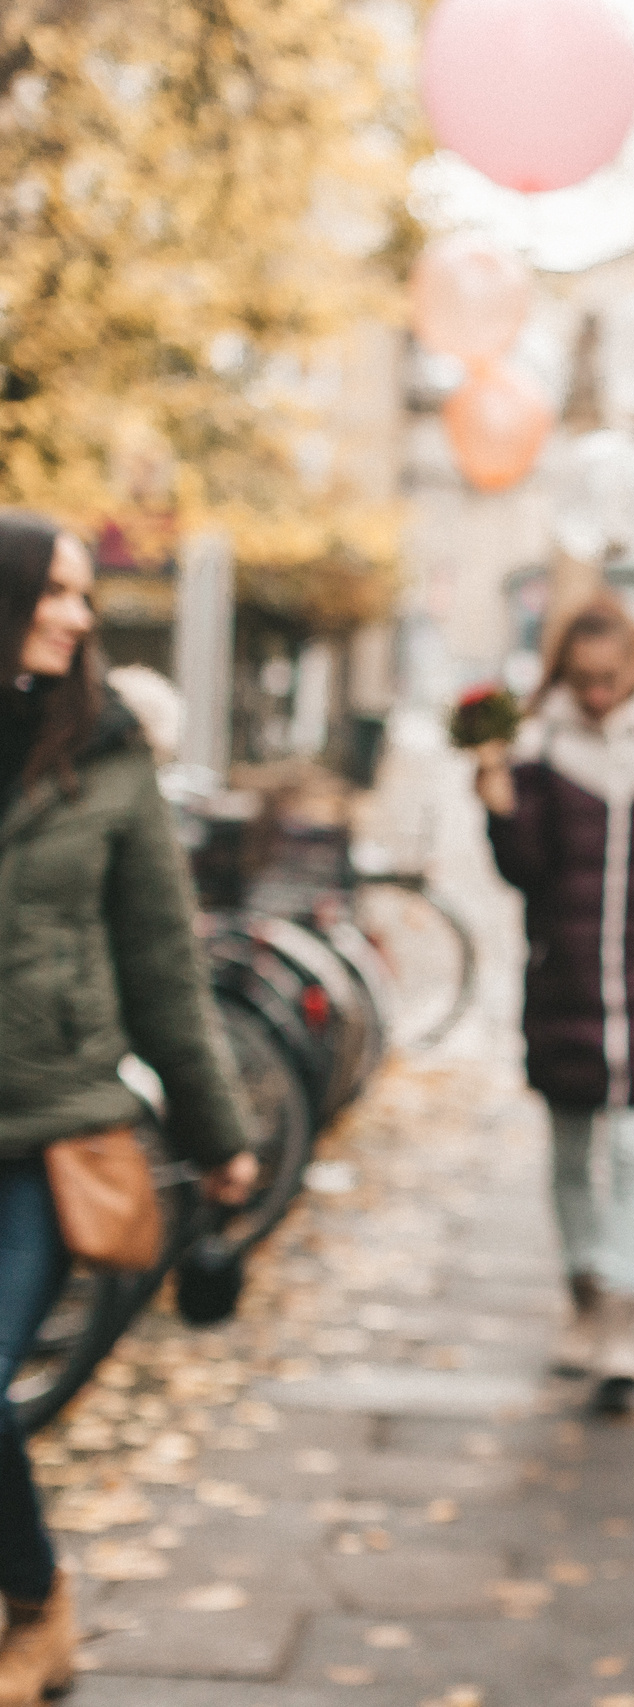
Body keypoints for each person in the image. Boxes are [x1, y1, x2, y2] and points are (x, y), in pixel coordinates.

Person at [0, 513, 258, 1705]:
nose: (76, 613)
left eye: (81, 594)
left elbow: (161, 962)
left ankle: (36, 1609)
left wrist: (217, 1136)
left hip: (46, 1136)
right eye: (54, 590)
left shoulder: (105, 755)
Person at [477, 596, 634, 1415]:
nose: (595, 693)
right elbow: (527, 870)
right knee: (572, 1149)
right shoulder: (540, 747)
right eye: (582, 679)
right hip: (567, 980)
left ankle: (622, 1317)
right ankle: (583, 1290)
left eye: (609, 678)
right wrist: (497, 801)